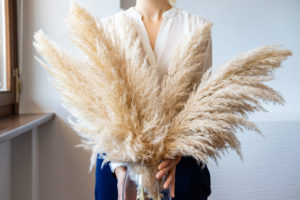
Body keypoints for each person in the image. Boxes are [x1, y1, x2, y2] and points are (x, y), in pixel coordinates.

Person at [95, 0, 212, 199]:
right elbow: (100, 108)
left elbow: (202, 104)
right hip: (118, 159)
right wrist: (122, 173)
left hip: (179, 163)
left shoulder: (197, 27)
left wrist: (175, 154)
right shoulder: (106, 27)